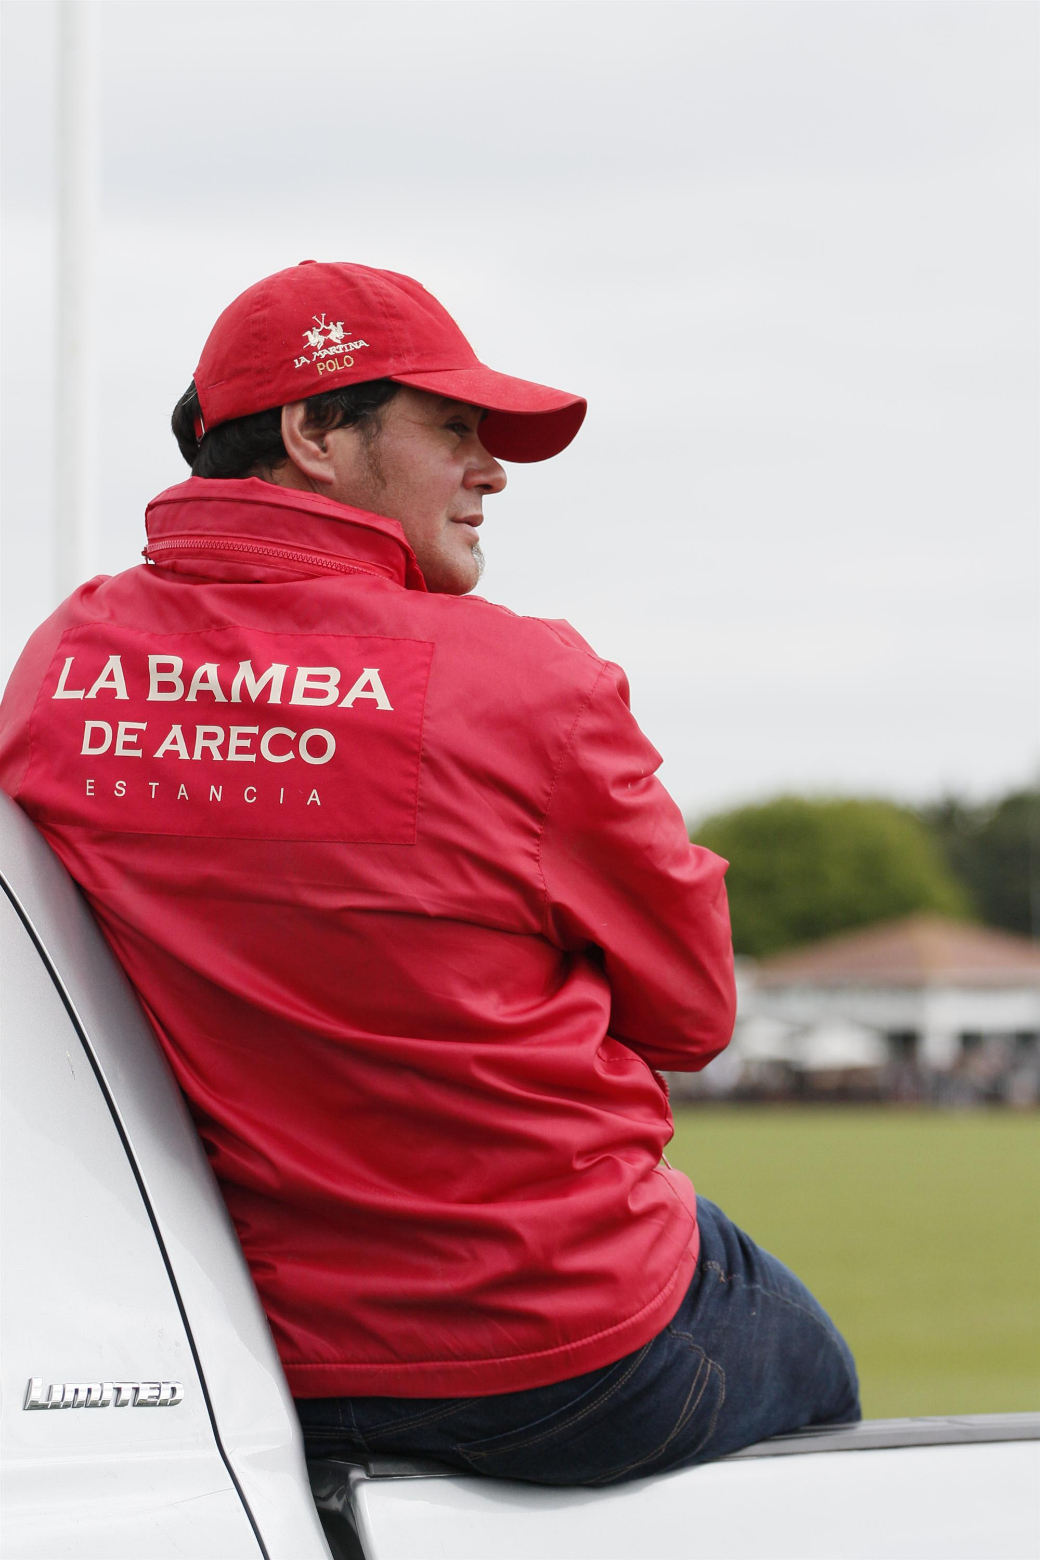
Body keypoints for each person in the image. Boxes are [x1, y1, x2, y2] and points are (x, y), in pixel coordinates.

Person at [0, 261, 859, 1485]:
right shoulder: (527, 682)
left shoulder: (61, 666)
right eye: (452, 429)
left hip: (229, 1348)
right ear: (312, 432)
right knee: (819, 1396)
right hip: (561, 1346)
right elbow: (693, 1013)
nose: (491, 470)